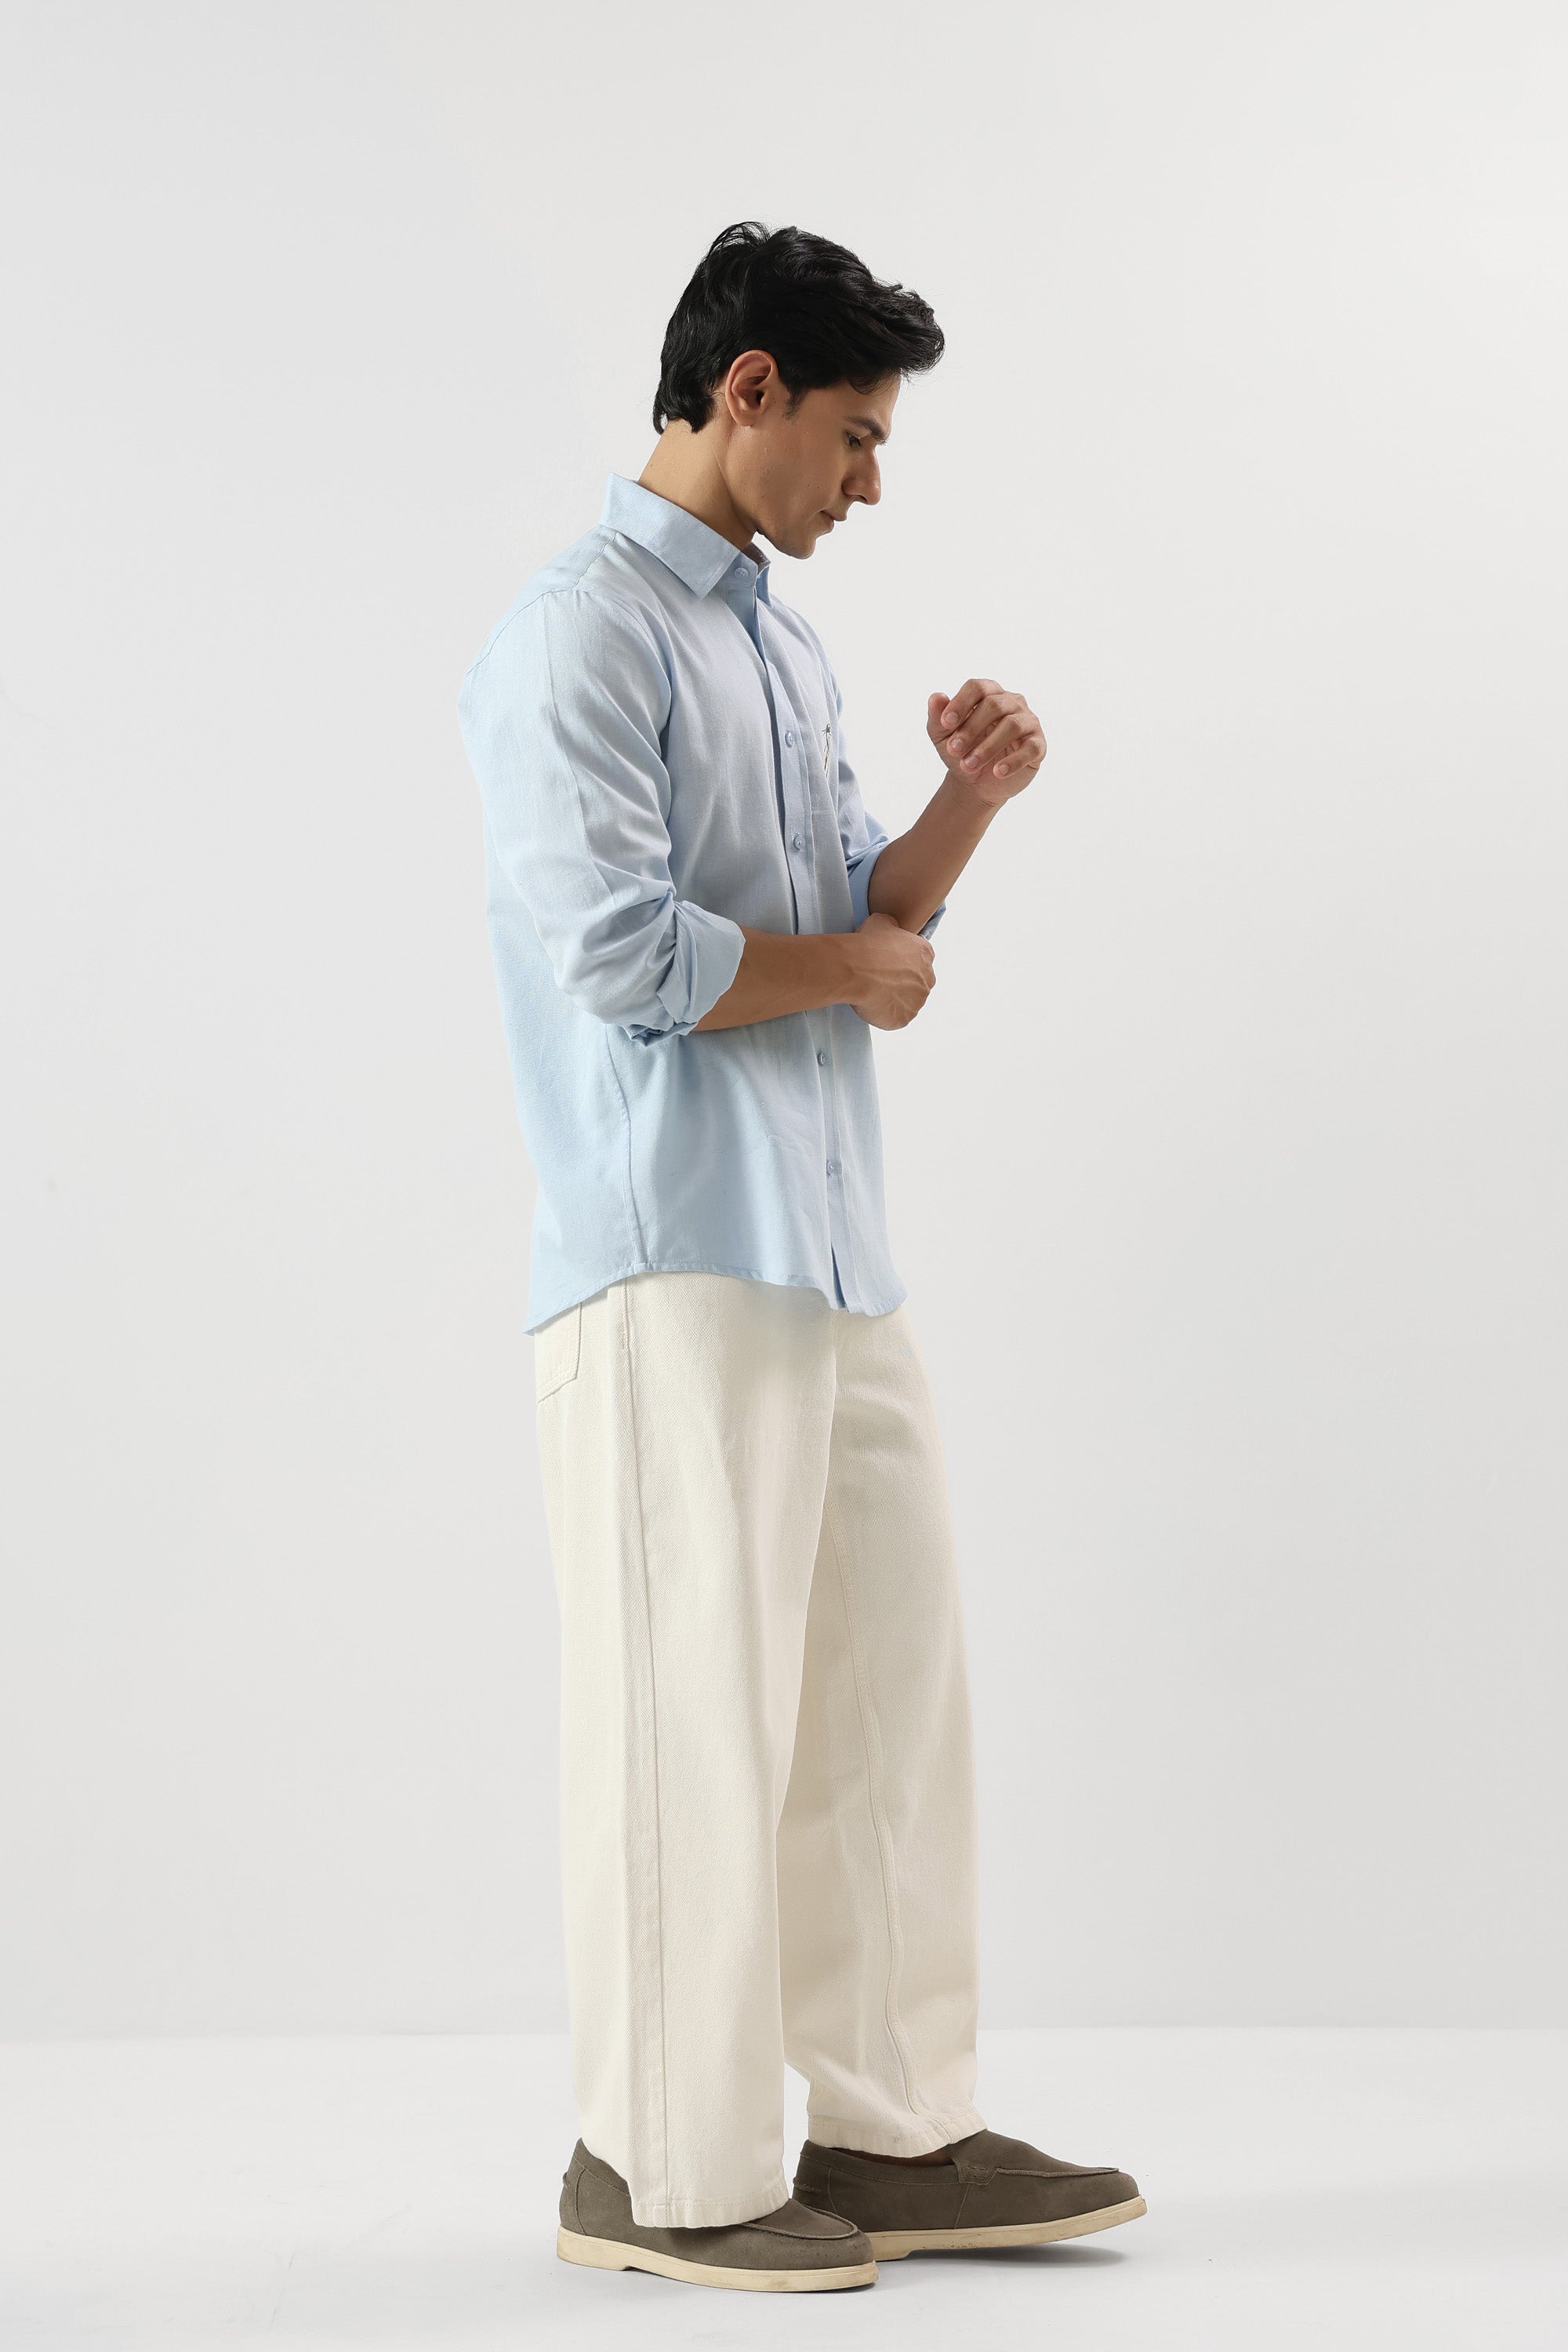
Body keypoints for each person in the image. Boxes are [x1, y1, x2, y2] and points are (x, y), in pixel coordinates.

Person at [456, 219, 1144, 2296]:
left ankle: (894, 2127)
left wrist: (967, 805)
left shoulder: (780, 644)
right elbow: (620, 953)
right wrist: (851, 961)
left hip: (833, 1259)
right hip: (669, 1261)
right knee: (694, 1714)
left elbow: (866, 919)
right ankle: (659, 2168)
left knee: (882, 1701)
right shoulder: (579, 637)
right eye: (854, 435)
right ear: (743, 389)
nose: (869, 482)